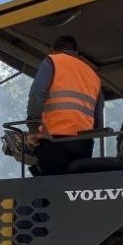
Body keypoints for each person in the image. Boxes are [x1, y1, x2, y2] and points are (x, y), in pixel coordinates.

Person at [26, 34, 104, 176]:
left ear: (54, 50)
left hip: (54, 140)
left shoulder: (53, 61)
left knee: (50, 189)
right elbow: (98, 117)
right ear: (76, 52)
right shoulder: (93, 75)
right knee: (74, 189)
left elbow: (37, 94)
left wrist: (33, 129)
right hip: (83, 144)